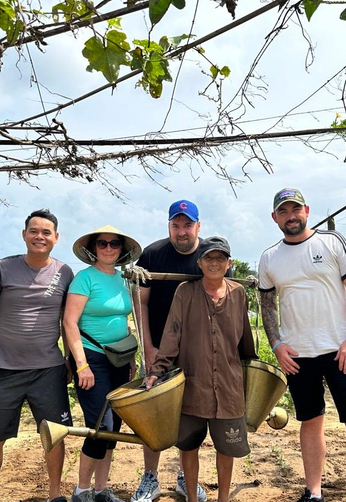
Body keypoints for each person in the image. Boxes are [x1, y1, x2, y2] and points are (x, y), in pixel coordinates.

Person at [258, 188, 346, 502]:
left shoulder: (331, 242)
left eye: (295, 209)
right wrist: (276, 344)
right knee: (309, 422)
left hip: (340, 352)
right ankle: (313, 492)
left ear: (307, 210)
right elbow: (267, 303)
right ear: (275, 218)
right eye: (283, 212)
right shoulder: (270, 257)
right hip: (299, 356)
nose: (291, 216)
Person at [144, 236, 257, 502]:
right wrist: (156, 370)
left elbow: (245, 339)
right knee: (188, 445)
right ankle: (192, 497)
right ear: (200, 262)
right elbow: (172, 335)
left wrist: (254, 372)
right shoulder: (185, 292)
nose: (214, 263)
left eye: (220, 258)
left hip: (228, 385)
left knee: (226, 447)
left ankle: (224, 498)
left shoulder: (238, 294)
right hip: (193, 383)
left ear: (229, 263)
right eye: (209, 258)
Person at [0, 209, 74, 502]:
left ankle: (55, 494)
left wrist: (69, 358)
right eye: (34, 231)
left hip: (49, 370)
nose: (39, 237)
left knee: (54, 437)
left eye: (46, 232)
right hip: (5, 371)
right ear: (24, 235)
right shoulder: (3, 268)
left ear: (56, 237)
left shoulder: (64, 272)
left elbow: (68, 321)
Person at [132, 199, 230, 502]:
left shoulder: (208, 257)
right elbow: (141, 304)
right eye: (176, 225)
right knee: (154, 414)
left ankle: (185, 477)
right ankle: (151, 477)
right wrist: (149, 348)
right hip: (160, 347)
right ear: (169, 226)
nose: (181, 231)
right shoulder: (151, 254)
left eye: (187, 225)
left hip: (197, 353)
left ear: (198, 226)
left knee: (190, 416)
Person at [63, 225, 143, 502]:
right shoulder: (84, 279)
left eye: (114, 244)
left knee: (114, 429)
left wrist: (130, 358)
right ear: (93, 249)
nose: (108, 248)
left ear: (122, 250)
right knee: (101, 427)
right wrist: (81, 364)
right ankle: (81, 490)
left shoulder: (125, 280)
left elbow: (127, 320)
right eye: (102, 244)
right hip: (92, 358)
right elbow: (69, 321)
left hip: (119, 359)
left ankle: (101, 490)